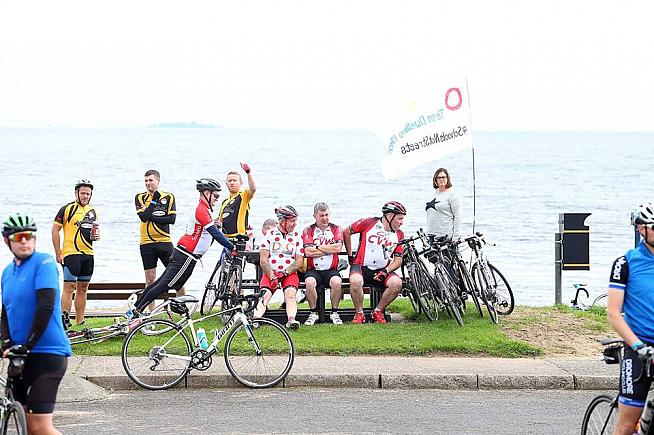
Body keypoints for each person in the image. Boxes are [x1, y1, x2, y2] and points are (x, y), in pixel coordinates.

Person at [2, 213, 71, 435]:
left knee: (39, 427)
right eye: (19, 236)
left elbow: (46, 305)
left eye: (29, 236)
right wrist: (5, 343)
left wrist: (28, 344)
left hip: (47, 354)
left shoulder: (45, 262)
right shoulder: (6, 273)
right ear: (7, 241)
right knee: (20, 420)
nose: (24, 241)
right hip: (20, 356)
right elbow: (5, 313)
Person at [131, 178, 235, 315]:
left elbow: (208, 233)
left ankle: (135, 309)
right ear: (206, 193)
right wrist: (232, 247)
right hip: (186, 256)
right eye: (215, 195)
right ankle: (136, 311)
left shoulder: (204, 210)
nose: (216, 199)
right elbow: (214, 233)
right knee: (163, 285)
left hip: (186, 255)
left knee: (161, 283)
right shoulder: (201, 210)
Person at [607, 202, 654, 435]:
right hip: (639, 348)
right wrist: (638, 346)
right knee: (626, 424)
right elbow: (614, 314)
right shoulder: (626, 263)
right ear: (641, 229)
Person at [343, 201, 406, 324]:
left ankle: (378, 311)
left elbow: (398, 260)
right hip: (361, 266)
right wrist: (350, 255)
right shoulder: (369, 223)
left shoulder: (399, 234)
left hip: (382, 270)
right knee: (355, 281)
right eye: (399, 219)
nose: (401, 222)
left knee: (397, 284)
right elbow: (346, 232)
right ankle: (359, 313)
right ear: (389, 216)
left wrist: (386, 271)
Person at [51, 179, 100, 326]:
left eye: (88, 194)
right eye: (83, 193)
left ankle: (80, 321)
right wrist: (58, 252)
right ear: (76, 193)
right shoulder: (67, 209)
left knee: (83, 288)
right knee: (69, 286)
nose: (85, 196)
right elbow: (55, 230)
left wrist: (97, 236)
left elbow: (93, 232)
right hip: (71, 253)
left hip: (88, 254)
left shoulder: (93, 211)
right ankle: (64, 321)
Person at [134, 170, 184, 296]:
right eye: (146, 180)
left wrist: (150, 215)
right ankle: (149, 311)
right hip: (147, 243)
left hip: (164, 242)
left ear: (158, 181)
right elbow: (143, 217)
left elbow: (171, 220)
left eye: (150, 180)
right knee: (150, 280)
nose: (147, 183)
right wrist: (154, 202)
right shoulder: (140, 197)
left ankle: (184, 306)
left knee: (177, 277)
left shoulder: (168, 197)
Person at [256, 206, 304, 330]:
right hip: (271, 271)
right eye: (292, 221)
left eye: (295, 220)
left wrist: (285, 272)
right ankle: (255, 319)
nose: (295, 224)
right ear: (283, 221)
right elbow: (263, 260)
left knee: (291, 294)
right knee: (264, 295)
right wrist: (272, 276)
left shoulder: (297, 236)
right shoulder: (270, 235)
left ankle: (292, 320)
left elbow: (299, 261)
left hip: (289, 273)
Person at [301, 202, 344, 325]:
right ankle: (313, 312)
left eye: (326, 215)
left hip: (331, 269)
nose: (325, 218)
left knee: (337, 282)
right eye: (321, 216)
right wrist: (328, 248)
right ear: (315, 216)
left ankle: (334, 312)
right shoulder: (308, 230)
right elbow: (308, 252)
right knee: (309, 283)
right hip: (313, 270)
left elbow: (337, 248)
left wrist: (318, 246)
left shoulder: (336, 229)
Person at [219, 162, 256, 238]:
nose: (232, 183)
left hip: (239, 238)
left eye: (234, 180)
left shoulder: (243, 196)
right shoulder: (225, 202)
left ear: (241, 183)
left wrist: (248, 172)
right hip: (226, 240)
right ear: (226, 184)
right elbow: (220, 221)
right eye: (229, 181)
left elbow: (253, 189)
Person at [425, 167, 462, 243]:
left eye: (443, 177)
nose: (441, 179)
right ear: (435, 180)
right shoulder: (432, 194)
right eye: (439, 177)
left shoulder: (453, 195)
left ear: (447, 178)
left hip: (445, 237)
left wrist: (456, 237)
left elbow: (458, 216)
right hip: (431, 236)